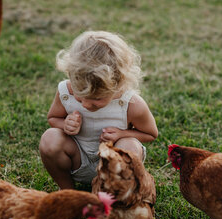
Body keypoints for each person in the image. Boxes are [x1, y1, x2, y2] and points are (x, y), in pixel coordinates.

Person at [39, 31, 158, 189]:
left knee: (129, 146)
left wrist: (122, 134)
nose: (86, 105)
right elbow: (53, 118)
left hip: (116, 165)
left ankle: (113, 194)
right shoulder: (65, 92)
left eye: (97, 99)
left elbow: (151, 133)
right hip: (78, 158)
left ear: (118, 84)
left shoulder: (131, 103)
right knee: (49, 138)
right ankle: (68, 190)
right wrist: (65, 124)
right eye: (80, 97)